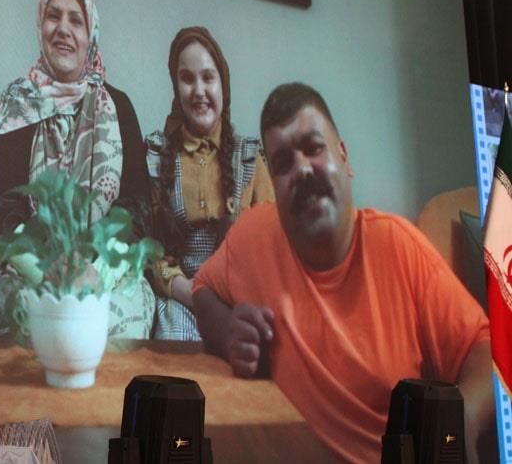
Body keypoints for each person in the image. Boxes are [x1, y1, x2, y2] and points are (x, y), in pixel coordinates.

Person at [192, 82, 494, 463]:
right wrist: (227, 332)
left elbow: (488, 349)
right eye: (283, 164)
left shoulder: (398, 248)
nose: (302, 169)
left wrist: (462, 417)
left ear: (344, 157)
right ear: (274, 186)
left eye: (313, 148)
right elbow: (202, 288)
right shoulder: (253, 235)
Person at [0, 0, 154, 338]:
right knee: (38, 321)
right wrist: (45, 267)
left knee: (114, 324)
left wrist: (98, 268)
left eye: (76, 20)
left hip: (106, 266)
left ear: (91, 33)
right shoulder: (13, 108)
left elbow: (137, 208)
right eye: (54, 16)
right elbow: (3, 210)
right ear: (40, 26)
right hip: (28, 268)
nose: (63, 29)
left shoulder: (119, 106)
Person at [145, 27, 273, 340]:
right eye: (187, 79)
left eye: (208, 77)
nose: (199, 90)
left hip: (238, 299)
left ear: (223, 84)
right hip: (181, 298)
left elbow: (272, 243)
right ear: (176, 87)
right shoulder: (157, 155)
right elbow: (151, 249)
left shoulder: (249, 158)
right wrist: (190, 293)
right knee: (177, 350)